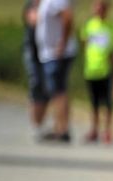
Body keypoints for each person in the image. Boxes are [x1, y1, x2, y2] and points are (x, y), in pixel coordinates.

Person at [79, 0, 113, 143]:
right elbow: (85, 44)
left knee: (108, 103)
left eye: (102, 8)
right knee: (94, 103)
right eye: (97, 7)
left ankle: (108, 131)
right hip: (91, 70)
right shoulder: (89, 25)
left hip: (107, 70)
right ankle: (94, 129)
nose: (99, 10)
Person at [35, 0, 79, 142]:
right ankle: (58, 126)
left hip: (56, 53)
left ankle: (62, 129)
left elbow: (67, 17)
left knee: (58, 91)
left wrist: (62, 43)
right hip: (51, 53)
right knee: (57, 91)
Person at [22, 0, 50, 137]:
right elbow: (33, 20)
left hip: (46, 53)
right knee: (35, 86)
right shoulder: (31, 5)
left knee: (47, 90)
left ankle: (41, 122)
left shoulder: (47, 5)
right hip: (33, 53)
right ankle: (35, 124)